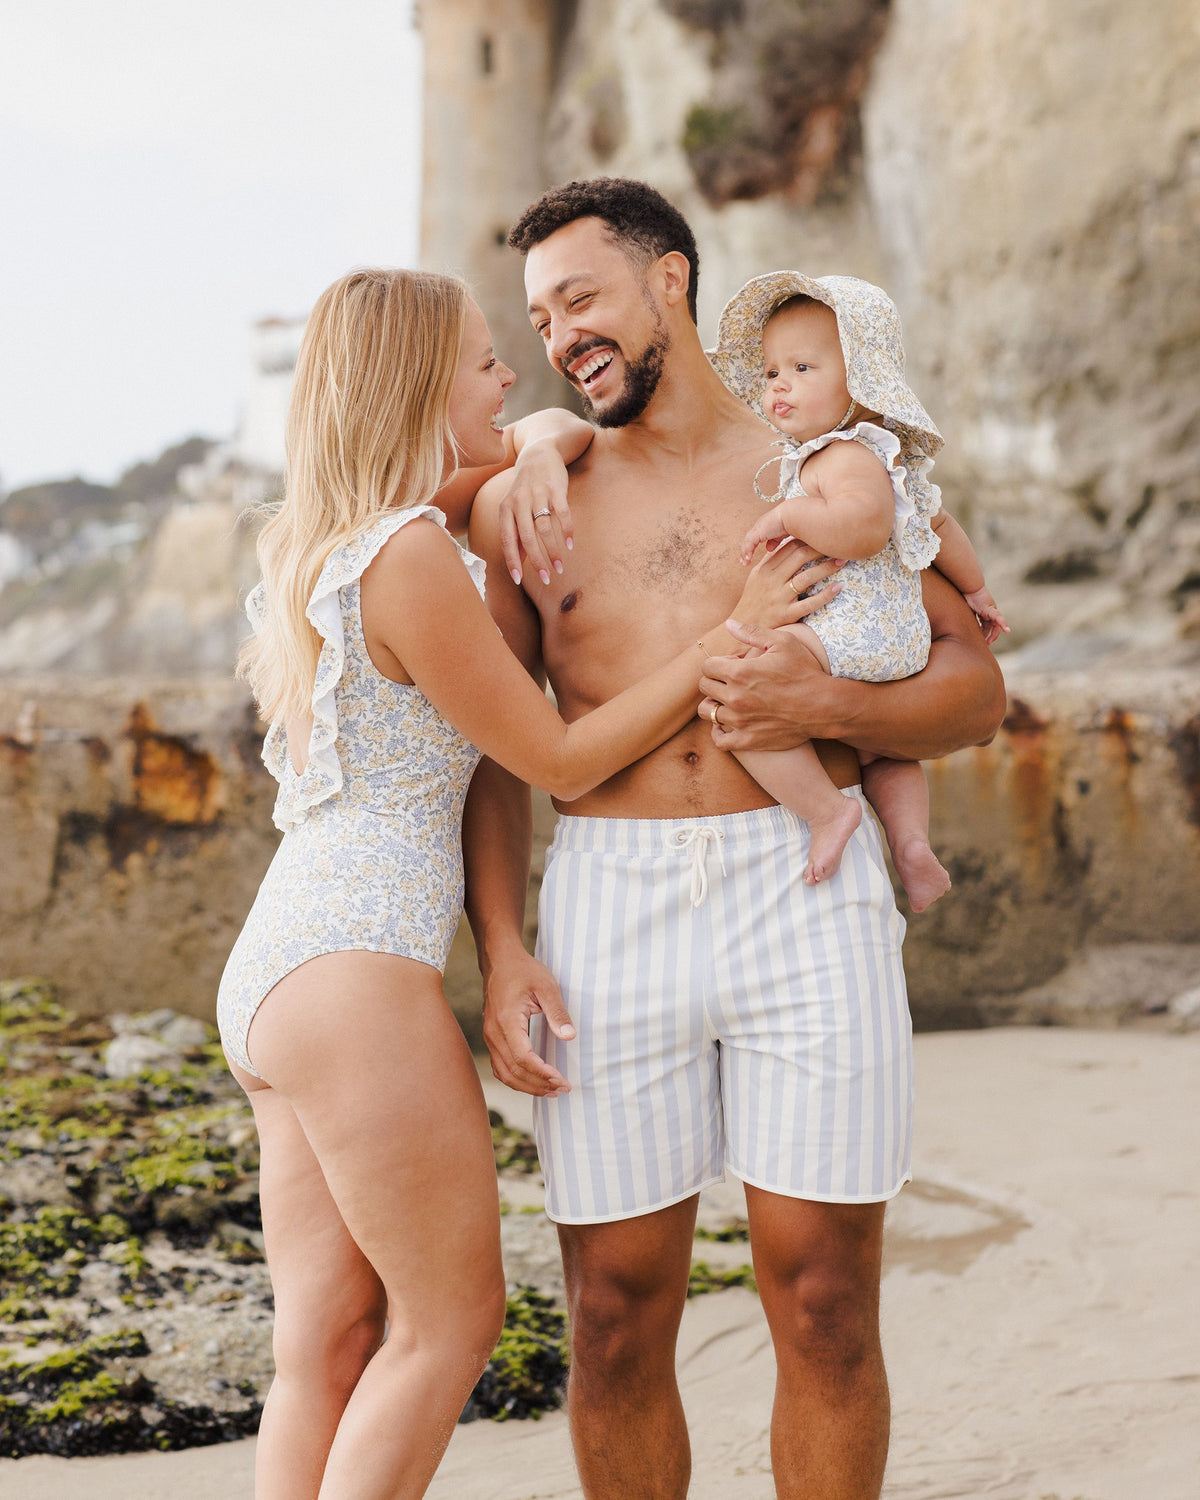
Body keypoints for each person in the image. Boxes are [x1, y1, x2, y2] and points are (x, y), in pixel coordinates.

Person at [215, 265, 805, 1500]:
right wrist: (726, 633)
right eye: (486, 359)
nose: (508, 378)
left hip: (275, 976)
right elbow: (556, 756)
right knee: (447, 1329)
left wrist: (532, 443)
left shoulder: (331, 541)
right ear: (422, 383)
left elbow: (539, 439)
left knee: (320, 1349)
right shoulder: (412, 558)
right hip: (357, 972)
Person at [462, 178, 1007, 1500]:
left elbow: (976, 685)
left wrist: (823, 703)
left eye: (582, 297)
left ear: (670, 283)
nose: (563, 335)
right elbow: (493, 745)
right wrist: (504, 948)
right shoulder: (539, 493)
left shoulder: (824, 464)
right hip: (608, 900)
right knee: (611, 1312)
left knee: (822, 1297)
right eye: (540, 317)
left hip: (804, 886)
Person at [710, 271, 1009, 906]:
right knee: (884, 754)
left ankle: (826, 812)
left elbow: (865, 530)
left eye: (801, 367)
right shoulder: (888, 459)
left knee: (743, 705)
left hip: (848, 629)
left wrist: (790, 517)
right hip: (901, 640)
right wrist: (977, 590)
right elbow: (941, 525)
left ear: (862, 385)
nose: (779, 384)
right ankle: (911, 844)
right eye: (770, 373)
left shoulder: (842, 455)